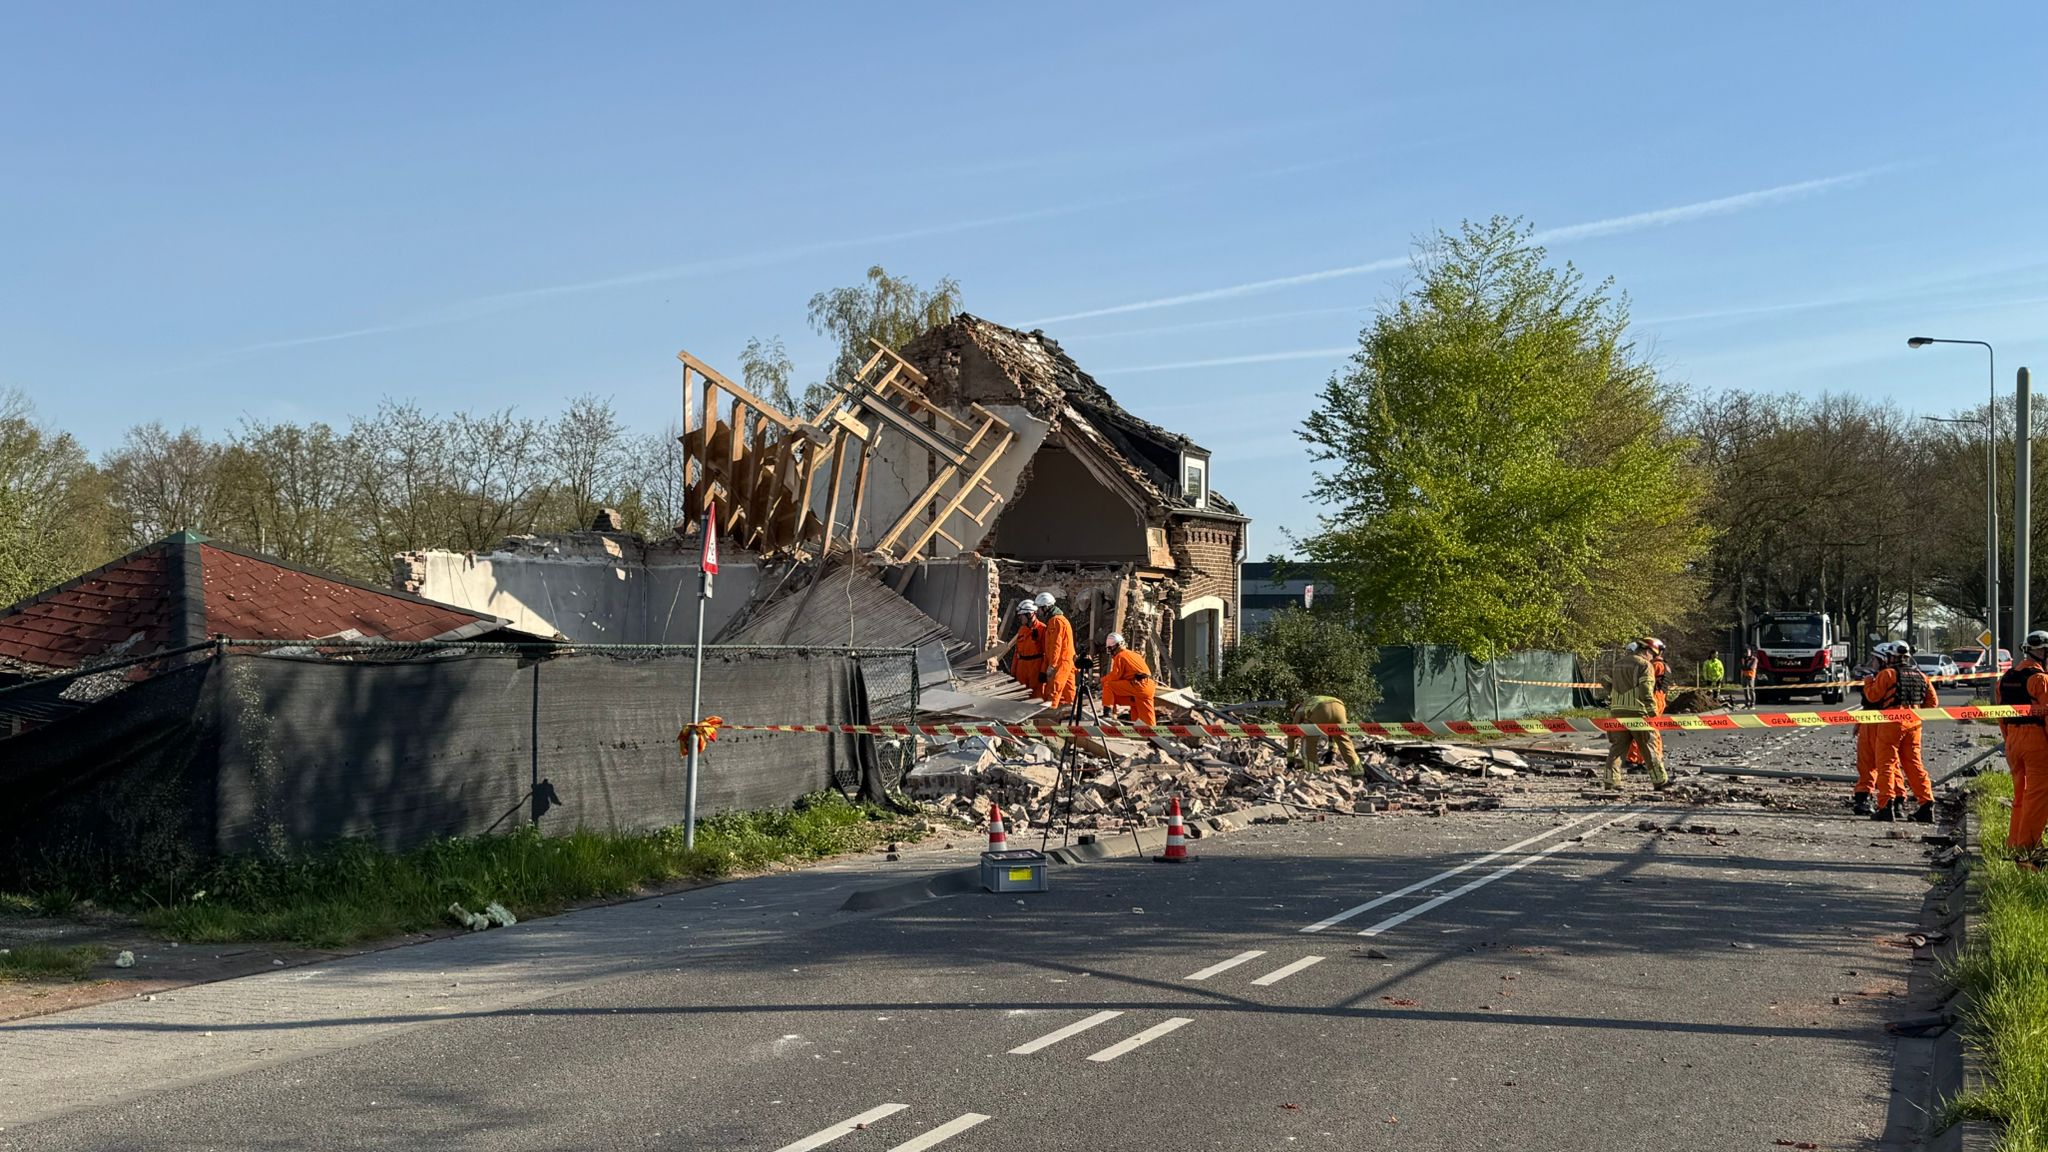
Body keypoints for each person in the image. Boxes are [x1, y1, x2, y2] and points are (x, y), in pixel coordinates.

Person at [1863, 641, 1936, 823]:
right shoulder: (1921, 676)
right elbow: (1932, 703)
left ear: (1891, 657)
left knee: (1886, 764)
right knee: (1914, 764)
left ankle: (1886, 806)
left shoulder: (1887, 674)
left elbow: (1873, 696)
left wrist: (1868, 682)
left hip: (1891, 723)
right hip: (1914, 724)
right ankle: (1926, 804)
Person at [1997, 630, 2048, 862]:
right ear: (2043, 652)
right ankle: (2028, 852)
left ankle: (2014, 843)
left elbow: (2001, 716)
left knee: (2020, 795)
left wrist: (2009, 739)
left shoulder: (2005, 679)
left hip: (2013, 741)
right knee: (2037, 797)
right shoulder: (2040, 680)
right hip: (2036, 741)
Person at [1599, 641, 1670, 791]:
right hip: (1638, 712)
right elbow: (1646, 690)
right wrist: (1652, 711)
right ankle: (1660, 781)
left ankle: (1611, 782)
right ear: (1646, 650)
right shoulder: (1645, 665)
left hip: (1617, 712)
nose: (1652, 657)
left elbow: (1605, 680)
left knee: (1617, 749)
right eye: (1652, 654)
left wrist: (1615, 693)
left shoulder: (1618, 664)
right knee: (1649, 747)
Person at [1850, 642, 1888, 816]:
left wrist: (1868, 683)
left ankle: (1880, 801)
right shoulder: (1886, 676)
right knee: (1871, 765)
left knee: (1879, 765)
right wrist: (1859, 722)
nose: (1872, 663)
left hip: (1880, 725)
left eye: (1875, 659)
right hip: (1875, 723)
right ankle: (1889, 802)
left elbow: (1872, 699)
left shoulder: (1884, 677)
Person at [1289, 693, 1362, 776]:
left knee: (1309, 739)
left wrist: (1290, 761)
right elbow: (1333, 732)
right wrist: (1332, 751)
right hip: (1339, 706)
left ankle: (1312, 770)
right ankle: (1357, 770)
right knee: (1343, 739)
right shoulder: (1310, 703)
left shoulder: (1299, 711)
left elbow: (1291, 735)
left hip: (1321, 708)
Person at [1099, 631, 1156, 726]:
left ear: (1118, 645)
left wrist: (1102, 680)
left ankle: (1108, 715)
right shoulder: (1134, 654)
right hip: (1146, 687)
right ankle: (1153, 735)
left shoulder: (1120, 656)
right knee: (1145, 721)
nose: (1111, 651)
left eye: (1111, 648)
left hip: (1138, 686)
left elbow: (1115, 675)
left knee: (1108, 686)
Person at [1033, 592, 1077, 709]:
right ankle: (1071, 715)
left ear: (1045, 607)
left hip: (1061, 662)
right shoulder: (1059, 620)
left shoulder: (1055, 621)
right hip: (1066, 661)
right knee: (1068, 694)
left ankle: (1050, 716)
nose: (1038, 612)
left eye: (1039, 608)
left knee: (1053, 691)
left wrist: (1052, 665)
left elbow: (1055, 645)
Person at [1008, 602, 1044, 693]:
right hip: (1022, 668)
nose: (1019, 618)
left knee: (1036, 696)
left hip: (1036, 668)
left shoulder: (1042, 629)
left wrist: (1043, 671)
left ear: (1029, 614)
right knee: (1021, 694)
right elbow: (1016, 653)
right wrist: (1013, 673)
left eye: (1021, 615)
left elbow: (1047, 654)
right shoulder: (1022, 630)